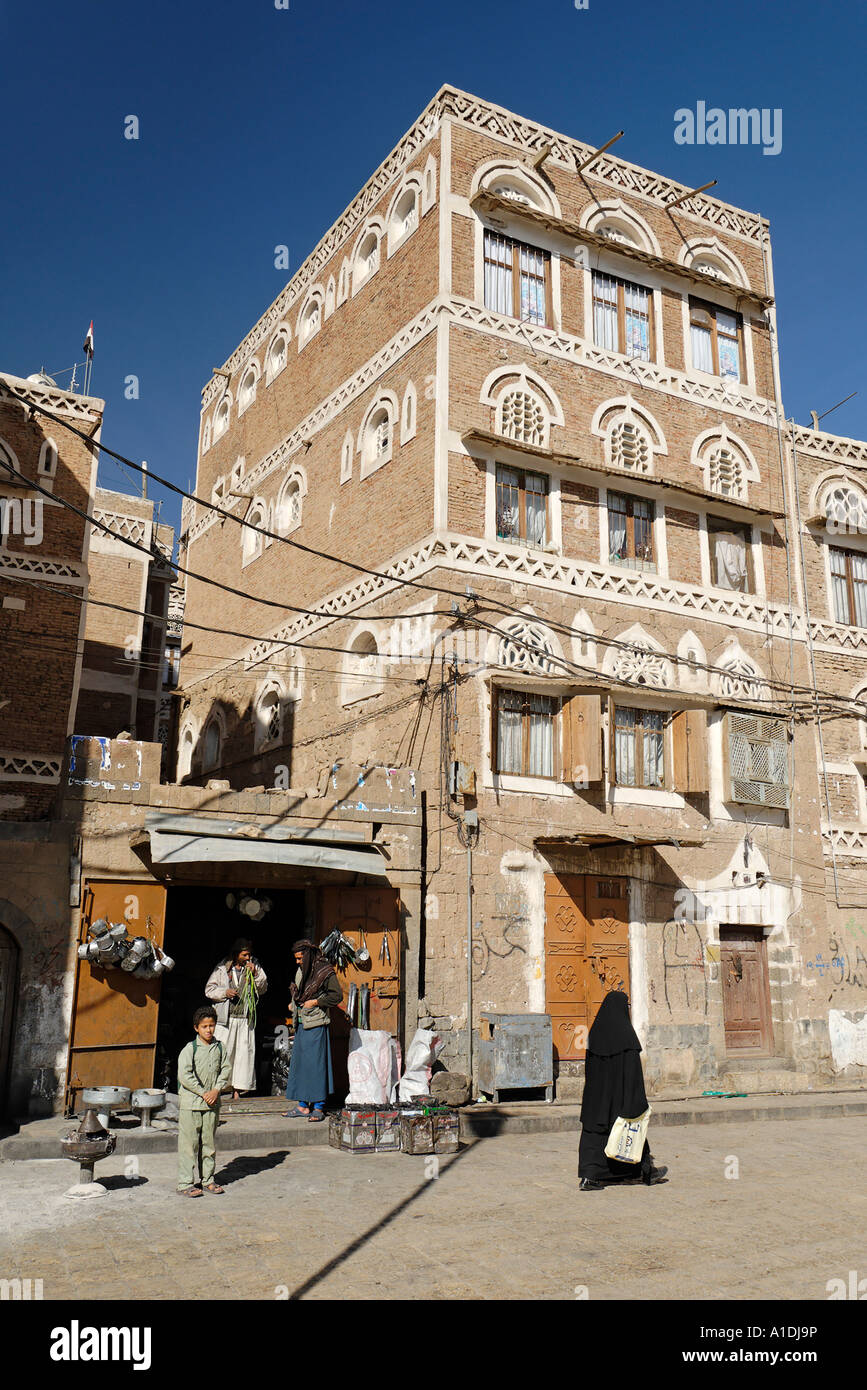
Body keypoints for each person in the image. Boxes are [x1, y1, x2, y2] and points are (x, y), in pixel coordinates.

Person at [578, 990, 668, 1191]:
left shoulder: (594, 1035)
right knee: (632, 1136)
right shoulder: (627, 1039)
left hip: (596, 1101)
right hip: (620, 1100)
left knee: (593, 1137)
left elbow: (590, 1071)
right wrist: (637, 1102)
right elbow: (633, 1076)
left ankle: (589, 1177)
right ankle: (645, 1173)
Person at [283, 938, 343, 1122]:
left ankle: (318, 1107)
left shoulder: (324, 971)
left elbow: (336, 995)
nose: (297, 961)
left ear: (308, 955)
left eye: (300, 958)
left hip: (316, 1024)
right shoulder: (302, 970)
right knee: (301, 1065)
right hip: (302, 1023)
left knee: (316, 1066)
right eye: (296, 959)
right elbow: (300, 993)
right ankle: (302, 1106)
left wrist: (316, 1002)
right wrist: (294, 1004)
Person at [177, 1005, 232, 1197]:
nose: (208, 1030)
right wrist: (203, 1093)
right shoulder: (189, 1050)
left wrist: (216, 1090)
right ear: (196, 1028)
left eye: (211, 1026)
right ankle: (185, 1183)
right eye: (204, 1026)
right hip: (191, 1105)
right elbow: (185, 1076)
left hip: (211, 1105)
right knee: (189, 1145)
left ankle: (208, 1180)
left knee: (208, 1145)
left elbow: (225, 1070)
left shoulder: (220, 1048)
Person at [205, 938, 267, 1100]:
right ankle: (221, 1088)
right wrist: (224, 992)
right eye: (245, 955)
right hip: (226, 1019)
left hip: (245, 1019)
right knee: (225, 1053)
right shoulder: (222, 968)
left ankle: (238, 1090)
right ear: (236, 954)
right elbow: (209, 990)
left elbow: (263, 988)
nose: (248, 958)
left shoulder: (255, 966)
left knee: (243, 1055)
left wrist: (255, 974)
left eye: (249, 954)